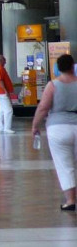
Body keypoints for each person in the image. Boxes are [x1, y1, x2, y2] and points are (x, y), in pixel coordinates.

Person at [31, 54, 77, 211]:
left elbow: (43, 107)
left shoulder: (53, 85)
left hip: (58, 128)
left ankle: (70, 201)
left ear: (58, 68)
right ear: (72, 66)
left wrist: (35, 125)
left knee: (65, 165)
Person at [0, 54, 15, 133]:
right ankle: (7, 128)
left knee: (1, 110)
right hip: (2, 93)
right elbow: (0, 80)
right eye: (4, 59)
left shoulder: (0, 68)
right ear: (0, 61)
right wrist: (5, 90)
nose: (5, 61)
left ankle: (0, 127)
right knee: (9, 110)